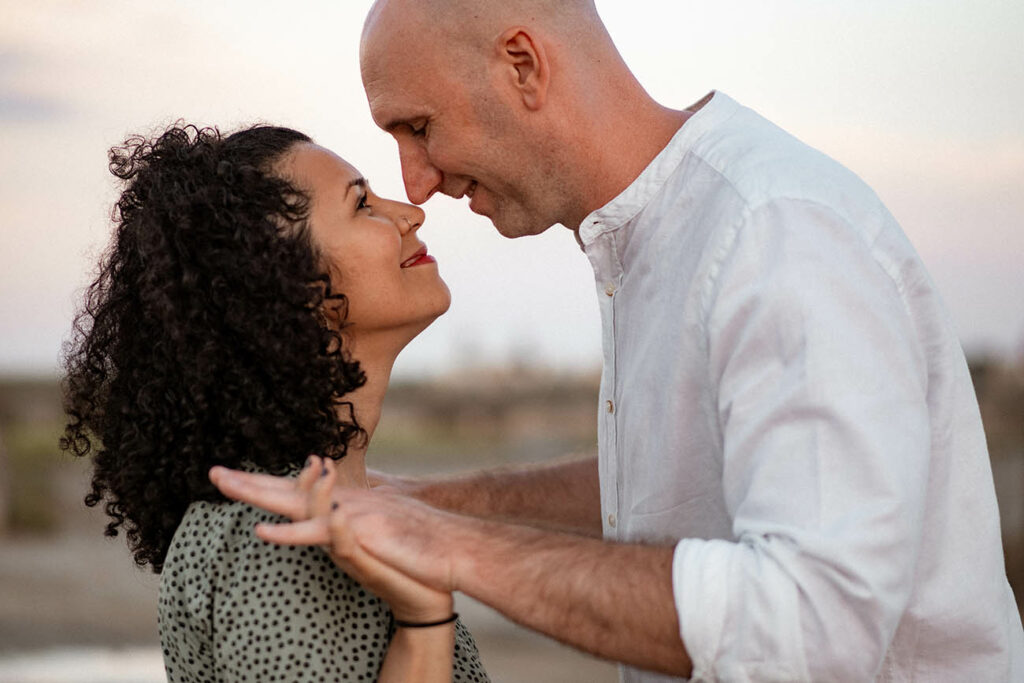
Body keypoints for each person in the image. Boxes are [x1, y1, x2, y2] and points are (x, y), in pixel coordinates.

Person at [213, 1, 1024, 681]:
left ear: (523, 65)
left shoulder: (770, 229)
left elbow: (815, 622)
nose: (416, 182)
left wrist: (450, 544)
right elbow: (685, 476)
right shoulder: (658, 240)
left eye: (418, 126)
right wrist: (422, 500)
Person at [60, 124, 489, 682]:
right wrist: (426, 621)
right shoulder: (274, 533)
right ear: (284, 284)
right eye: (362, 204)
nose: (410, 213)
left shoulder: (321, 505)